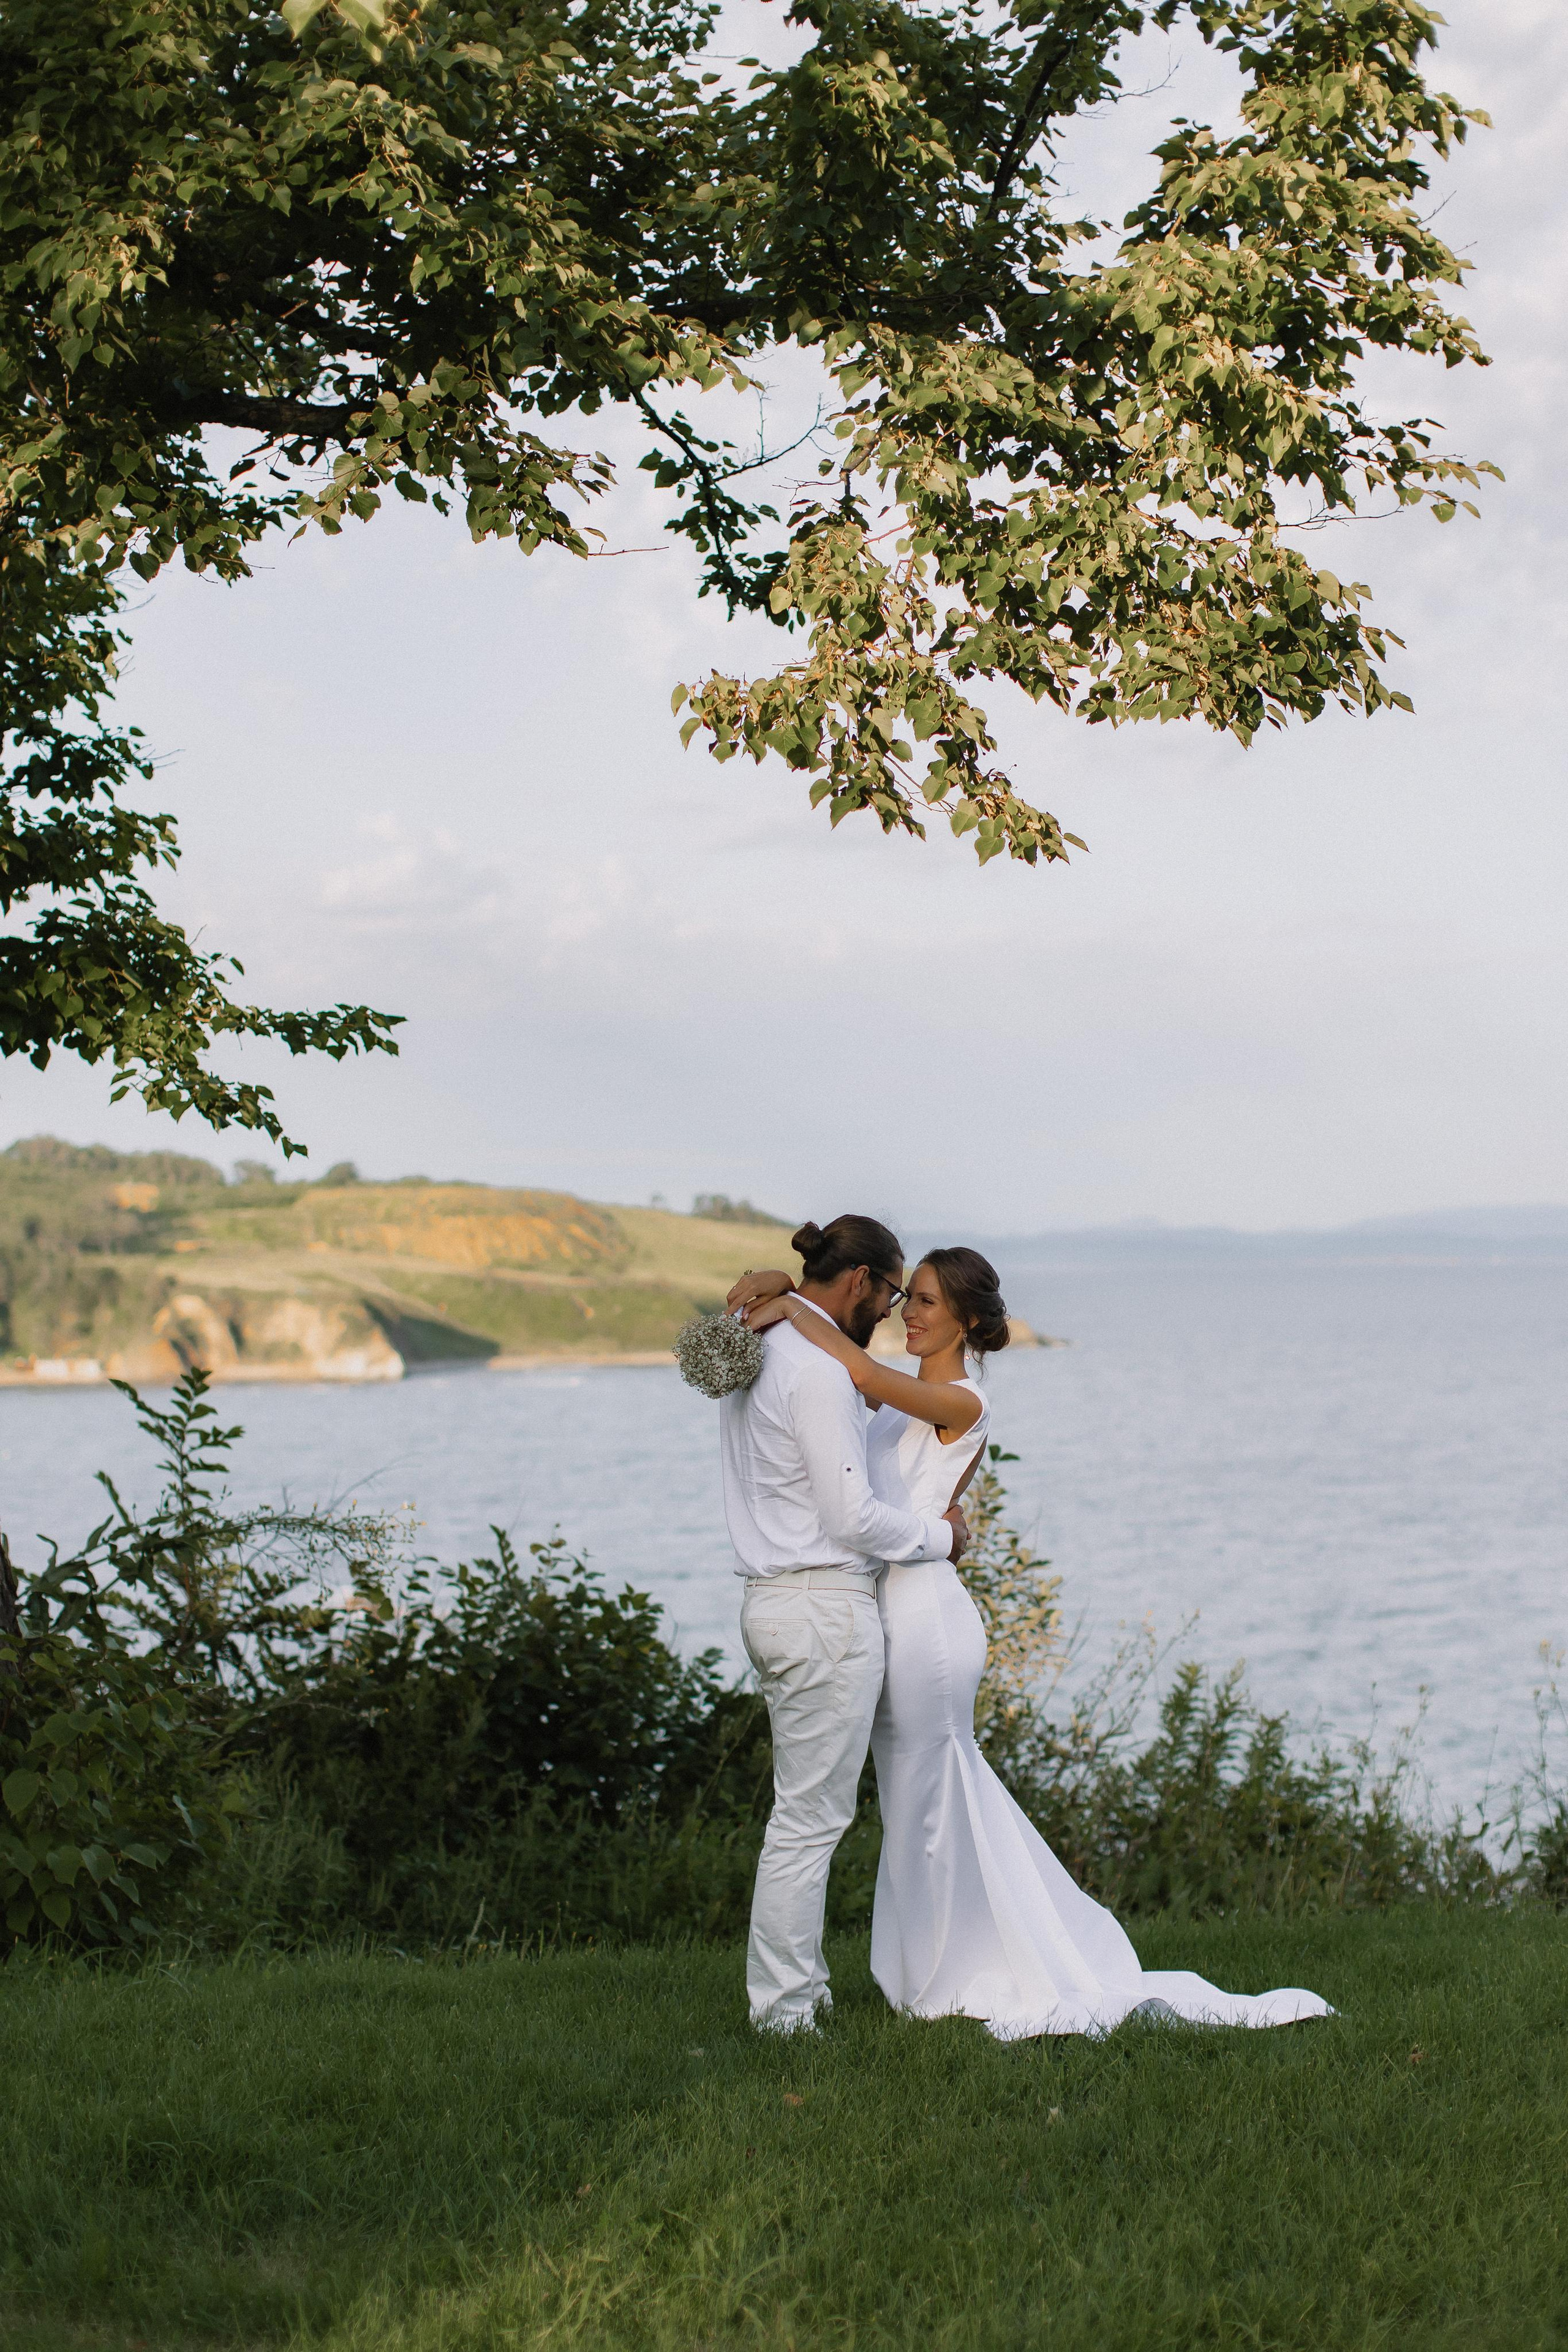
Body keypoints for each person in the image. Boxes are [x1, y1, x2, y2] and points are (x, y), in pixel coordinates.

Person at [730, 1246, 1331, 2040]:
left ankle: (968, 1967)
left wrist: (793, 1302)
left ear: (972, 1323)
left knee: (932, 1797)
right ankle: (931, 1969)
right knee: (920, 1802)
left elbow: (858, 1372)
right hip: (889, 1608)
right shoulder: (903, 1399)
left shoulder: (961, 1399)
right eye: (909, 1297)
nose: (909, 1312)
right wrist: (786, 1290)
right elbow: (853, 1398)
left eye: (930, 1304)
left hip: (926, 1619)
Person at [718, 1212, 971, 2035]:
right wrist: (943, 1537)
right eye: (894, 1292)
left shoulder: (761, 1342)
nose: (895, 1310)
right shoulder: (819, 1373)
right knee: (810, 1819)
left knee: (805, 1813)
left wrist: (781, 1291)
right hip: (824, 1607)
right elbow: (854, 1516)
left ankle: (801, 1993)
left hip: (772, 1599)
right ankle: (785, 2013)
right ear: (860, 1282)